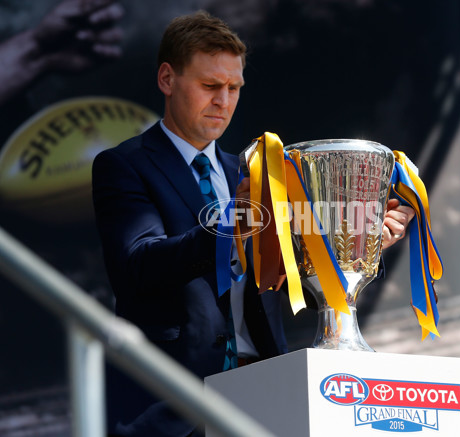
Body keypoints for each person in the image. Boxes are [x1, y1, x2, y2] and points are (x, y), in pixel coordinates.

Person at [92, 10, 413, 437]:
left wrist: (360, 244)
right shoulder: (123, 165)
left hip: (265, 394)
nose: (223, 101)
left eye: (234, 88)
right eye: (210, 86)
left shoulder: (253, 173)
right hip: (170, 404)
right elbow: (137, 265)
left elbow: (293, 271)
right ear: (167, 79)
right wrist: (231, 225)